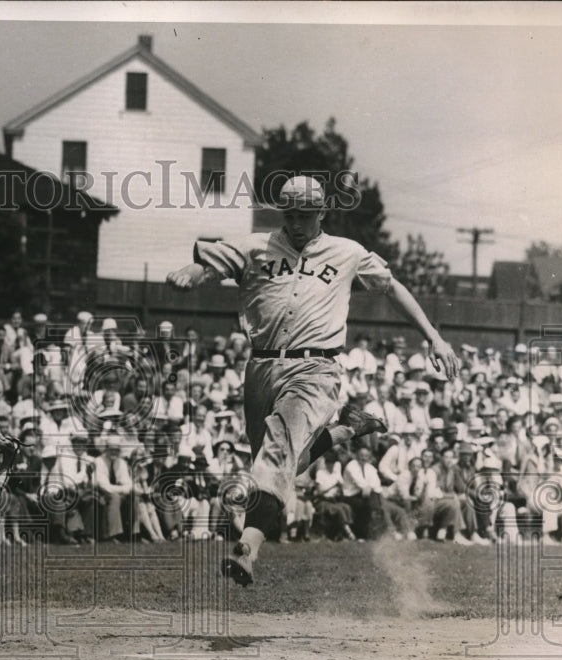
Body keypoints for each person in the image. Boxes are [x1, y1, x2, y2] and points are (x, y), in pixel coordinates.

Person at [168, 175, 458, 584]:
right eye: (291, 214)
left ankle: (246, 549)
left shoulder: (347, 252)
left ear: (323, 212)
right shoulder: (256, 245)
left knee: (275, 456)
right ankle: (344, 431)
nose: (298, 222)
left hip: (315, 368)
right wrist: (190, 272)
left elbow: (391, 287)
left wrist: (435, 337)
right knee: (275, 465)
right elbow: (209, 264)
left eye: (306, 214)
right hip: (261, 368)